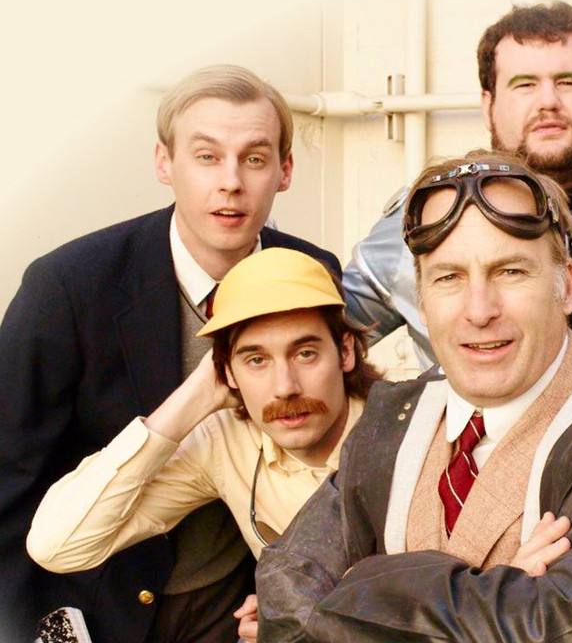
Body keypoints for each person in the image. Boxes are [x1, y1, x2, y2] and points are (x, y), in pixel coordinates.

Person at [257, 151, 572, 642]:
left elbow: (552, 632)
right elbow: (284, 594)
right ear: (422, 299)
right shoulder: (391, 421)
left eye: (510, 272)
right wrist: (494, 589)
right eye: (449, 277)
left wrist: (362, 583)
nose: (479, 311)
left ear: (566, 286)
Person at [0, 64, 339, 643]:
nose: (230, 182)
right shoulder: (69, 286)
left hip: (238, 604)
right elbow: (9, 475)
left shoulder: (312, 273)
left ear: (285, 170)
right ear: (164, 163)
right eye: (207, 157)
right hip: (95, 603)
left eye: (254, 159)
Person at [27, 247, 378, 642]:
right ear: (226, 371)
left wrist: (304, 617)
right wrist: (190, 400)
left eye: (306, 353)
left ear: (345, 352)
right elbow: (58, 545)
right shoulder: (226, 440)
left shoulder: (405, 429)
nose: (285, 387)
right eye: (256, 360)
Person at [344, 1, 572, 371]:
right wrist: (388, 404)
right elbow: (323, 340)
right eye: (525, 84)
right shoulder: (424, 217)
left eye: (568, 82)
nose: (548, 101)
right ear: (487, 104)